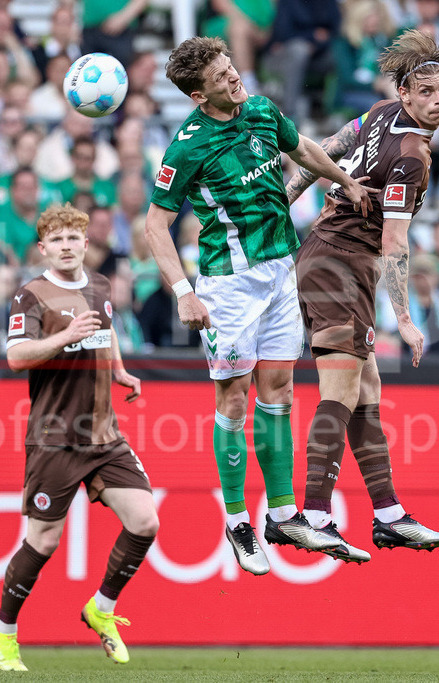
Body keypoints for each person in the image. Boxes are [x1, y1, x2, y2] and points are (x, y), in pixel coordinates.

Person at [144, 36, 373, 575]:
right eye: (222, 77)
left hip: (280, 272)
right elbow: (155, 224)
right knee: (234, 401)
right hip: (228, 287)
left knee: (281, 391)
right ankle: (237, 521)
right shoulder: (187, 146)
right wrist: (184, 293)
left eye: (231, 67)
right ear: (199, 97)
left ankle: (284, 513)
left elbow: (305, 149)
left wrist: (344, 180)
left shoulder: (263, 110)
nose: (234, 79)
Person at [283, 30, 439, 562]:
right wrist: (404, 317)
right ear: (405, 94)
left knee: (366, 389)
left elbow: (328, 147)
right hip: (342, 266)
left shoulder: (379, 112)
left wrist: (287, 199)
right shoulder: (412, 156)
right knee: (339, 389)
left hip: (327, 256)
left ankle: (387, 514)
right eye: (426, 92)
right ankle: (312, 514)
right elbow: (395, 241)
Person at [0, 204, 158, 671]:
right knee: (42, 542)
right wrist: (64, 337)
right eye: (55, 240)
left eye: (72, 239)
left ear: (85, 243)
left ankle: (101, 608)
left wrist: (119, 369)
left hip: (103, 433)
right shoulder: (30, 296)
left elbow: (107, 327)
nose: (65, 246)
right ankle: (3, 632)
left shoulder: (99, 286)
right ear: (43, 248)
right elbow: (17, 357)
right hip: (54, 437)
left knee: (145, 522)